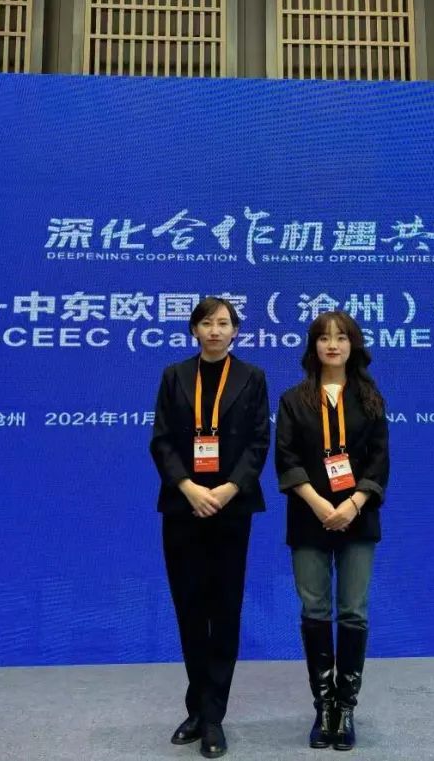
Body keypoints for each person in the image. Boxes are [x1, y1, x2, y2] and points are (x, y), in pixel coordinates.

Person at [149, 296, 270, 759]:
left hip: (231, 508)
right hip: (183, 507)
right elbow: (161, 441)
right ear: (194, 330)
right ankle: (197, 707)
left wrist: (228, 490)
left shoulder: (252, 377)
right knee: (189, 608)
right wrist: (189, 488)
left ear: (235, 331)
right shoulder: (174, 376)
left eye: (223, 323)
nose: (215, 330)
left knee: (224, 609)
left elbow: (258, 442)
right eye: (206, 323)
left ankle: (214, 715)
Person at [274, 310, 389, 751]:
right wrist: (321, 504)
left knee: (354, 611)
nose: (333, 345)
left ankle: (347, 708)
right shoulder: (294, 399)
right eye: (324, 338)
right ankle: (324, 708)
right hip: (310, 516)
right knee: (315, 609)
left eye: (341, 337)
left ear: (353, 345)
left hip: (359, 517)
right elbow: (286, 458)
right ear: (313, 347)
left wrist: (354, 503)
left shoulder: (371, 398)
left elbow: (379, 460)